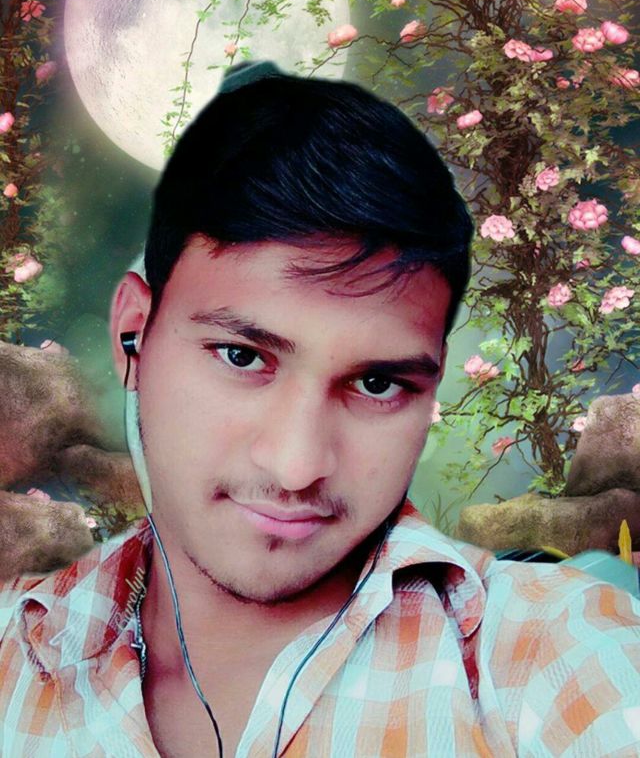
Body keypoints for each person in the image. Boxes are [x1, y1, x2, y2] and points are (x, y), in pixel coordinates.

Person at [1, 60, 639, 758]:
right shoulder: (13, 660)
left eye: (378, 384)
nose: (297, 465)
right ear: (133, 336)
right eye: (242, 356)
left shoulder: (552, 653)